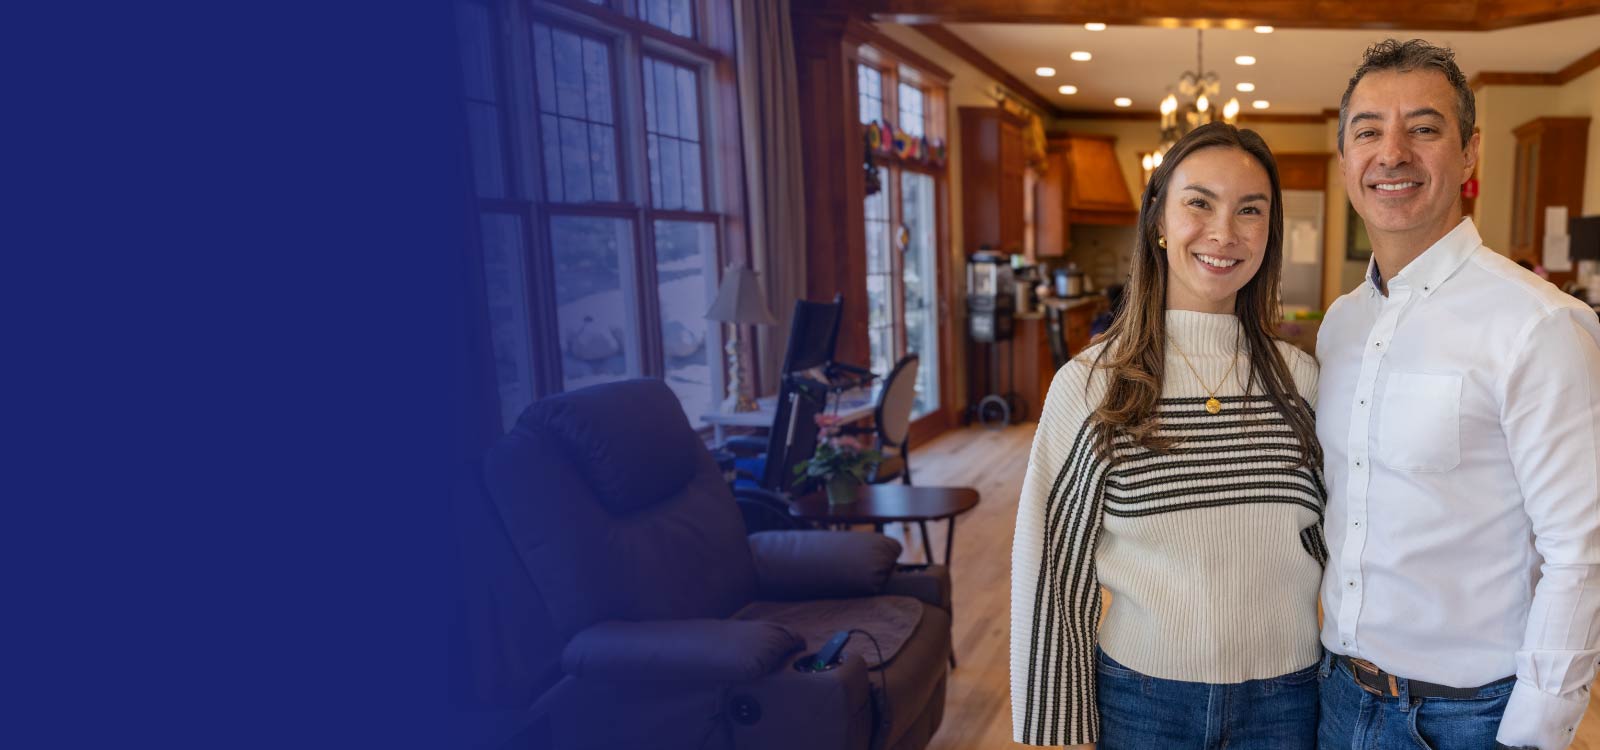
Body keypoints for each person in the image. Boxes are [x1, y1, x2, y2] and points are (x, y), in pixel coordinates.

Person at [1316, 39, 1600, 750]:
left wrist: (1530, 735)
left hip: (1465, 720)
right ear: (1344, 156)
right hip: (1332, 695)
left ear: (1470, 153)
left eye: (1424, 128)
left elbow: (1582, 550)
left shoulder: (1540, 324)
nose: (1392, 152)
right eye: (1369, 130)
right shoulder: (1341, 323)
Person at [1011, 122, 1325, 749]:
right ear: (1158, 219)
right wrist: (1056, 723)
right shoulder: (1093, 384)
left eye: (1250, 210)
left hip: (1289, 696)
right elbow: (1052, 564)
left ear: (1269, 232)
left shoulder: (1302, 382)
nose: (1224, 232)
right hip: (1143, 699)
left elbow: (1338, 542)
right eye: (1199, 202)